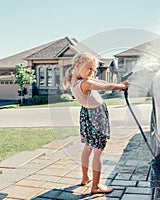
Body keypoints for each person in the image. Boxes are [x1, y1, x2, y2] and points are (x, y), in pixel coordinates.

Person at [62, 52, 129, 194]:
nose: (92, 72)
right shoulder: (86, 83)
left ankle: (85, 178)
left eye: (93, 69)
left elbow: (101, 83)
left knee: (88, 148)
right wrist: (121, 86)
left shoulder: (76, 81)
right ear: (78, 65)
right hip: (96, 117)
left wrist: (116, 85)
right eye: (89, 68)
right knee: (98, 151)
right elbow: (106, 87)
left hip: (87, 115)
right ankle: (96, 186)